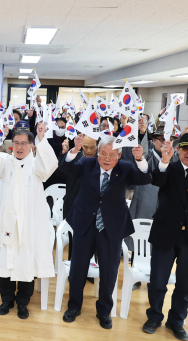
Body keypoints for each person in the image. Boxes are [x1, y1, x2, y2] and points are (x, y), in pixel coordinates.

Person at [59, 135, 151, 329]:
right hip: (85, 222)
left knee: (109, 271)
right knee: (78, 269)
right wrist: (74, 151)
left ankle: (104, 311)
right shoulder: (85, 163)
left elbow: (145, 178)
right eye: (103, 153)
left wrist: (140, 159)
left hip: (112, 225)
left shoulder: (125, 168)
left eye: (112, 155)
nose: (107, 158)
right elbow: (66, 168)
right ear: (97, 152)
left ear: (119, 155)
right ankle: (74, 307)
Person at [0, 120, 58, 319]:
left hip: (29, 222)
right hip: (7, 221)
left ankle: (23, 302)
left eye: (24, 143)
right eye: (16, 143)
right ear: (11, 145)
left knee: (26, 259)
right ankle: (6, 299)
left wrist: (42, 137)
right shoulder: (5, 162)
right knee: (5, 257)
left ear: (31, 145)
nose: (20, 147)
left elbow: (50, 164)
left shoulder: (36, 164)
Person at [142, 132, 188, 341]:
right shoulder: (168, 168)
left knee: (185, 284)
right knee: (157, 280)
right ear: (179, 150)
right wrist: (165, 160)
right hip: (165, 234)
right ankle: (154, 316)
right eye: (185, 149)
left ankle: (176, 321)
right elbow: (157, 180)